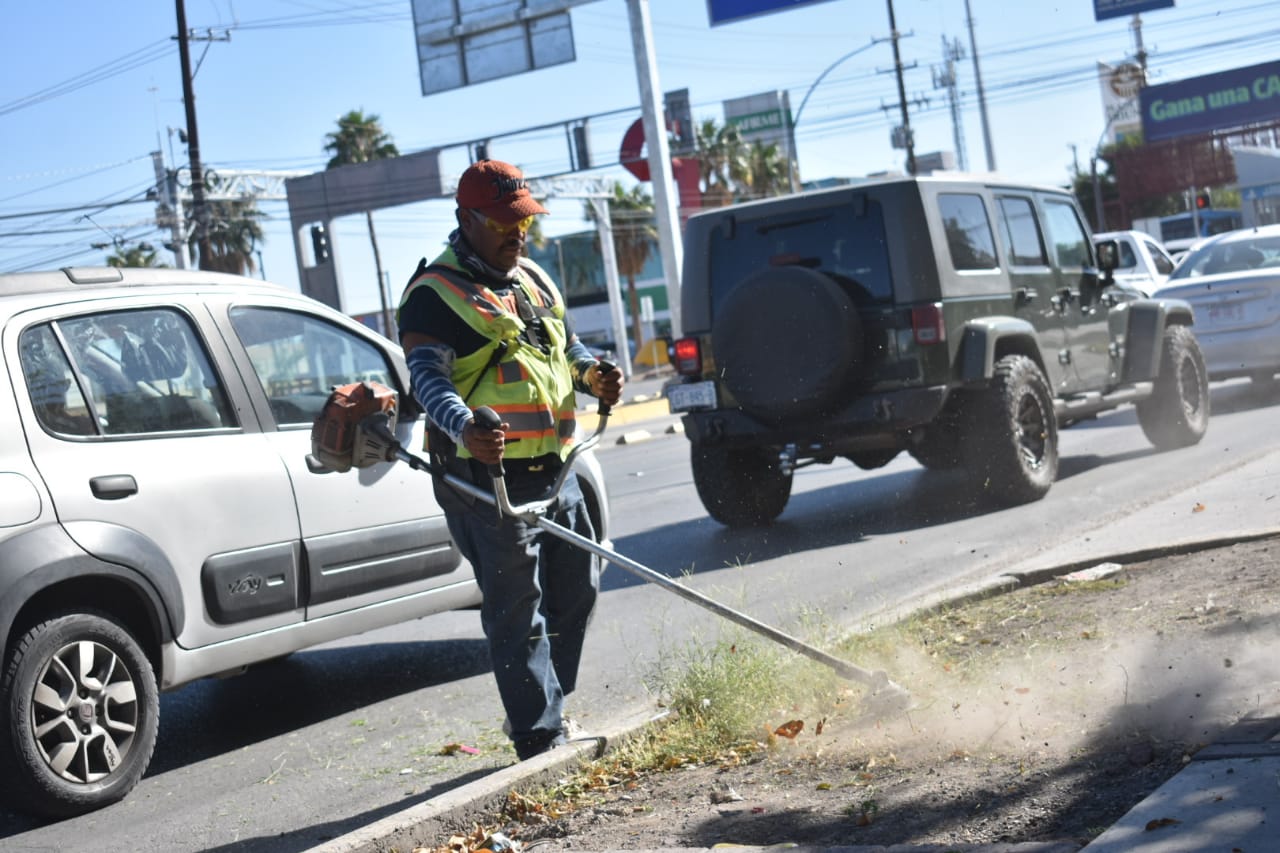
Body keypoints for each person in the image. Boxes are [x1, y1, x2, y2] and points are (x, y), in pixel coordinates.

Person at [398, 159, 623, 761]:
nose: (516, 233)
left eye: (522, 221)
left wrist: (593, 376)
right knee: (516, 610)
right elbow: (428, 382)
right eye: (502, 223)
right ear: (466, 219)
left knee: (577, 589)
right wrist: (466, 427)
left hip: (557, 466)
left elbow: (567, 349)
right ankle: (539, 737)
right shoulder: (434, 295)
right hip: (486, 478)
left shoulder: (534, 278)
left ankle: (549, 703)